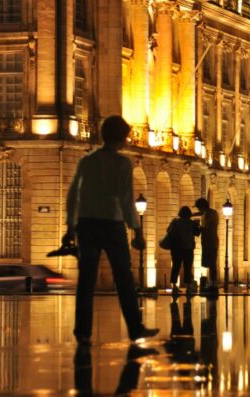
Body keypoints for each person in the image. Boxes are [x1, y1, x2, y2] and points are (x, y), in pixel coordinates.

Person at [64, 115, 159, 345]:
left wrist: (70, 227)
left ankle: (83, 332)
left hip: (87, 225)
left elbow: (73, 195)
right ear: (123, 138)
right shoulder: (122, 164)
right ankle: (135, 329)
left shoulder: (87, 161)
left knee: (86, 280)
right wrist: (136, 230)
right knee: (124, 278)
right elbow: (126, 200)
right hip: (112, 225)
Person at [168, 206, 201, 294]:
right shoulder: (192, 223)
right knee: (187, 267)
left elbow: (168, 231)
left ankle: (174, 286)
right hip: (188, 248)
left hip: (176, 248)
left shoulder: (175, 222)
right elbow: (197, 233)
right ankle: (188, 287)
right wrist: (198, 225)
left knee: (175, 267)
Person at [194, 198, 219, 290]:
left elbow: (205, 227)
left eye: (198, 208)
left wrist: (197, 225)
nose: (198, 210)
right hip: (212, 241)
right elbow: (202, 213)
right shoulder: (212, 212)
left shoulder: (208, 215)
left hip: (209, 241)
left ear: (202, 206)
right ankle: (213, 282)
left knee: (211, 263)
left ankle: (213, 283)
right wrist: (193, 215)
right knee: (212, 263)